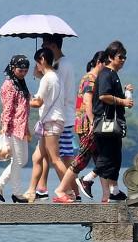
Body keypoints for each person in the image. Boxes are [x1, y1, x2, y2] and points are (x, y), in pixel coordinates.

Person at [56, 51, 106, 202]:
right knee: (82, 159)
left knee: (102, 159)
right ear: (99, 62)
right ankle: (61, 190)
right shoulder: (90, 79)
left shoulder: (96, 78)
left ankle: (106, 196)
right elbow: (87, 101)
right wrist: (92, 122)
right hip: (87, 125)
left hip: (91, 124)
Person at [26, 47, 68, 204]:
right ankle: (31, 191)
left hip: (51, 122)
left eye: (37, 63)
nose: (36, 67)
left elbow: (38, 102)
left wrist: (26, 101)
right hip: (52, 121)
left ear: (42, 61)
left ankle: (68, 191)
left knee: (55, 159)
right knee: (37, 157)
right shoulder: (56, 77)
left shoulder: (47, 78)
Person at [93, 40, 133, 203]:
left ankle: (114, 191)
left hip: (113, 122)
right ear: (110, 57)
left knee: (115, 156)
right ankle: (87, 179)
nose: (122, 60)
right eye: (120, 57)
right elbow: (103, 96)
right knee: (108, 156)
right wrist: (122, 101)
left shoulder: (113, 75)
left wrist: (125, 94)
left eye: (124, 57)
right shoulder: (106, 74)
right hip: (105, 122)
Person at [39, 34, 76, 196]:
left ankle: (71, 190)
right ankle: (43, 187)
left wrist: (43, 72)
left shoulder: (61, 66)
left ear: (53, 46)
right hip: (61, 117)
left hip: (61, 118)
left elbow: (54, 91)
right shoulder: (59, 64)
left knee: (59, 157)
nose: (43, 51)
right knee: (51, 154)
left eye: (45, 47)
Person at [0, 55, 31, 202]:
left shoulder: (20, 83)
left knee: (21, 160)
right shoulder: (9, 85)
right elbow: (7, 108)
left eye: (26, 70)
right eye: (21, 70)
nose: (23, 73)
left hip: (21, 127)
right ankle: (16, 192)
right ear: (13, 68)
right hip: (13, 127)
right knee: (19, 160)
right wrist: (4, 128)